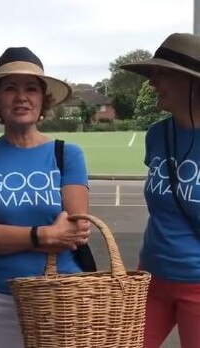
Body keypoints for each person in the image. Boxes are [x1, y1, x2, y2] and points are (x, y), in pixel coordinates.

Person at [0, 46, 91, 348]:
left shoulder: (68, 154)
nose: (21, 97)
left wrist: (6, 238)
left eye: (31, 88)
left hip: (60, 294)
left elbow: (75, 233)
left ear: (43, 99)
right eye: (10, 88)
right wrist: (45, 235)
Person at [121, 32, 200, 348]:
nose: (152, 82)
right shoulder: (157, 135)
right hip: (151, 276)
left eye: (161, 73)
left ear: (192, 83)